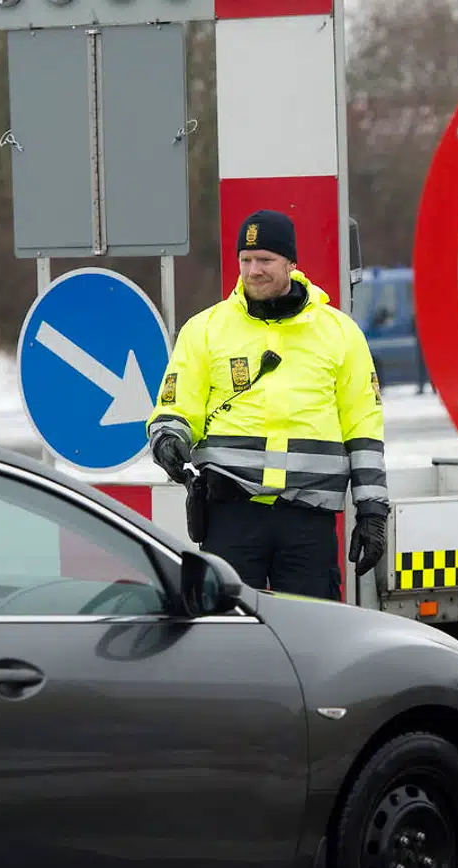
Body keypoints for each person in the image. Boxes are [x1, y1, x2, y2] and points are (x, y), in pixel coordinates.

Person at [146, 209, 388, 600]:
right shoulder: (205, 329)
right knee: (231, 643)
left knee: (312, 644)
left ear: (292, 264)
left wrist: (373, 512)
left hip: (308, 522)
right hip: (231, 516)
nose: (253, 270)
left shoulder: (340, 333)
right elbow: (175, 406)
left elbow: (363, 428)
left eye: (265, 260)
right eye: (245, 260)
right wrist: (168, 439)